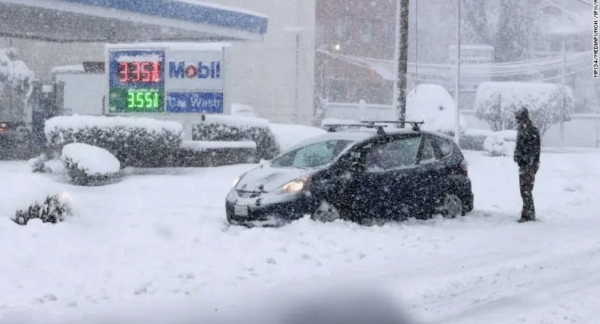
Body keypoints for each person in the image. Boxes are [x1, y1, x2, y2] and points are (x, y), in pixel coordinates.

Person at [513, 107, 541, 222]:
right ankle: (529, 212)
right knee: (523, 189)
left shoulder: (533, 130)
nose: (517, 121)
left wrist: (530, 161)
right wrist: (516, 155)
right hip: (523, 164)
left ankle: (527, 214)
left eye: (519, 118)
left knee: (526, 189)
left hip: (530, 164)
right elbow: (519, 144)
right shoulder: (520, 129)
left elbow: (536, 148)